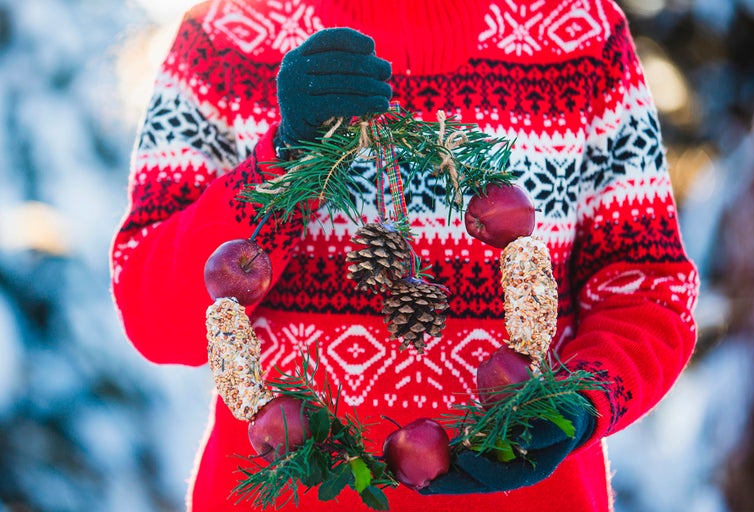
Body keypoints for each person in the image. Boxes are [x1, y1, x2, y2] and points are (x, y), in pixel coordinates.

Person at [109, 1, 699, 511]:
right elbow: (154, 315)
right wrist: (285, 156)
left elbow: (646, 288)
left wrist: (582, 403)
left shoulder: (580, 36)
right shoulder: (225, 36)